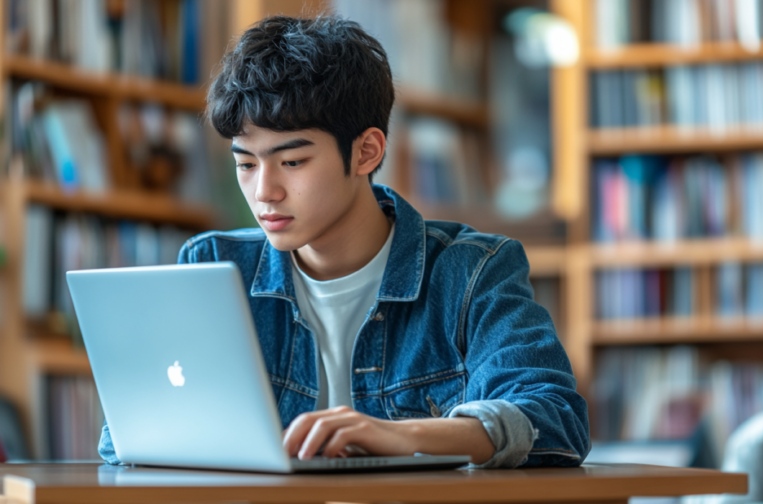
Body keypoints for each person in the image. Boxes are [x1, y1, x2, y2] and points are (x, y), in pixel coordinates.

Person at [98, 14, 589, 468]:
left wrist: (404, 435)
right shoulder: (214, 266)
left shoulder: (473, 272)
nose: (264, 191)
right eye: (246, 163)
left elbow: (555, 418)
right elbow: (122, 438)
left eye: (292, 162)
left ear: (366, 151)